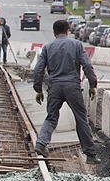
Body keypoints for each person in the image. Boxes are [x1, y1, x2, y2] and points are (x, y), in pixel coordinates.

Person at [32, 19, 100, 165]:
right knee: (81, 119)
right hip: (72, 86)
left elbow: (38, 70)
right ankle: (91, 155)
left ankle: (41, 144)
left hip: (55, 87)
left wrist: (38, 89)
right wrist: (93, 84)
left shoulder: (48, 47)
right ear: (67, 31)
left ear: (54, 32)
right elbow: (87, 65)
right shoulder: (76, 45)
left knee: (51, 117)